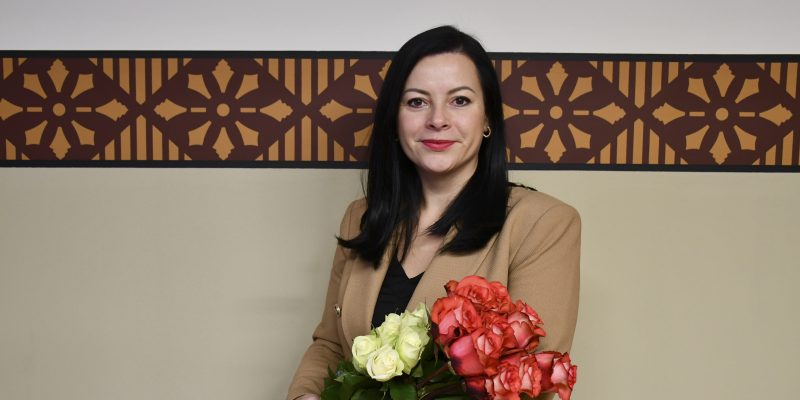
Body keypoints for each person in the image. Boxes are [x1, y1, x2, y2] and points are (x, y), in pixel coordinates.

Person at [287, 25, 580, 400]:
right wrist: (306, 395)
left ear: (487, 118)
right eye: (416, 102)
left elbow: (529, 381)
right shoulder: (361, 217)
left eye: (460, 100)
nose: (437, 119)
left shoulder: (543, 223)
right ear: (395, 120)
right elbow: (330, 345)